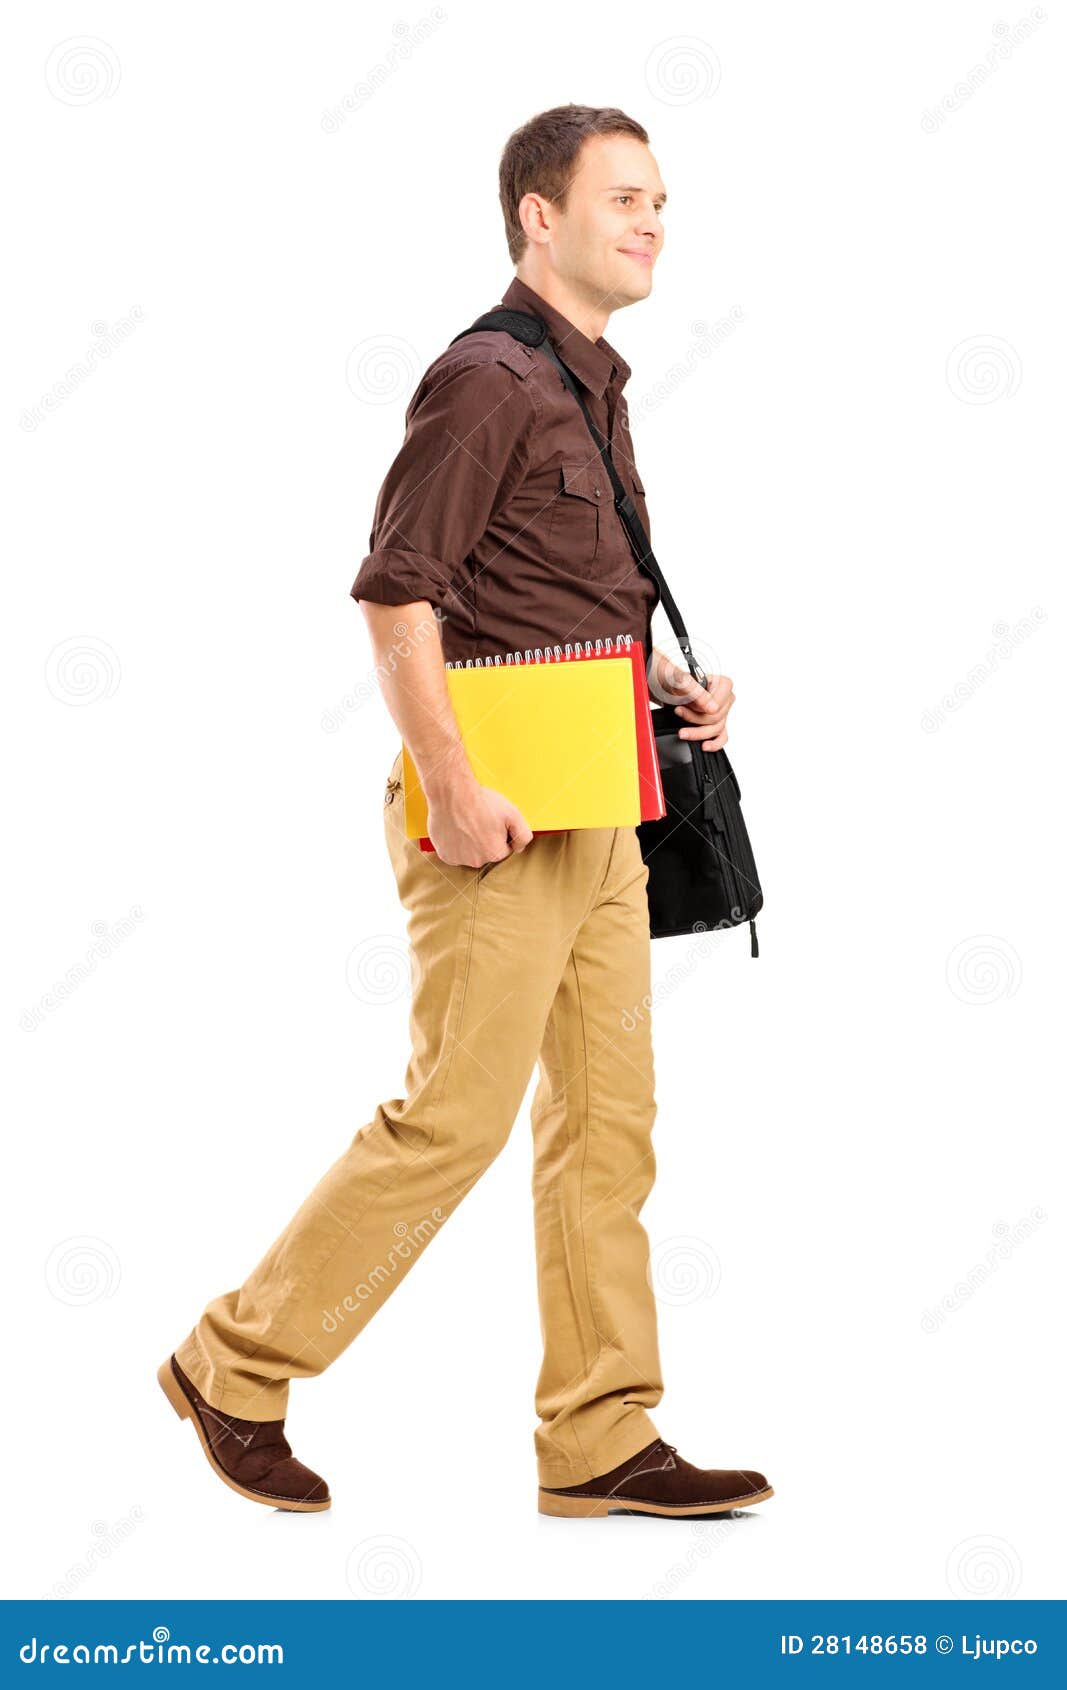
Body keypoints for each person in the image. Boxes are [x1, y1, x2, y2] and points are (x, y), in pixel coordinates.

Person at [159, 103, 772, 1520]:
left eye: (664, 199)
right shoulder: (487, 380)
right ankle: (233, 1362)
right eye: (624, 196)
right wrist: (448, 782)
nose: (652, 219)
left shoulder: (595, 385)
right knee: (458, 1115)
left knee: (609, 1123)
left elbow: (547, 593)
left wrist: (667, 684)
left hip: (598, 799)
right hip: (493, 809)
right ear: (536, 219)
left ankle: (601, 1430)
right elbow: (397, 592)